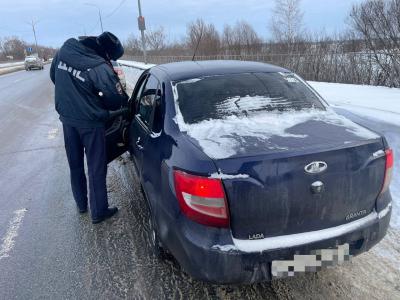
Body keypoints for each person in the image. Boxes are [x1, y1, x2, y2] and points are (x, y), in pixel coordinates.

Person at [50, 32, 129, 224]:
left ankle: (81, 204)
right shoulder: (98, 66)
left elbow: (54, 76)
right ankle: (99, 211)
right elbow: (113, 99)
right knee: (96, 166)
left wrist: (75, 95)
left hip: (68, 120)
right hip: (91, 123)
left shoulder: (64, 50)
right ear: (106, 53)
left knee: (75, 163)